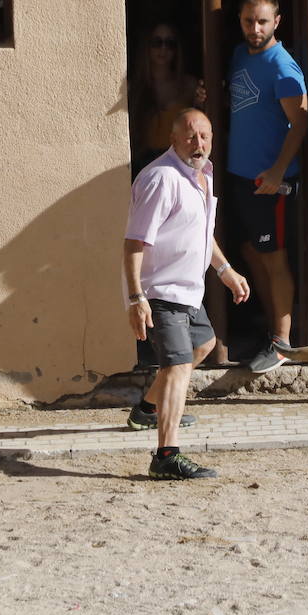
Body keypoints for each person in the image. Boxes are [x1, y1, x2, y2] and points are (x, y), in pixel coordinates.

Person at [123, 109, 250, 479]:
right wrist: (136, 298)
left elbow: (200, 232)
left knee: (203, 345)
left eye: (205, 136)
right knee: (177, 366)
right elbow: (133, 243)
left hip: (188, 290)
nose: (199, 144)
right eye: (191, 136)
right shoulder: (161, 179)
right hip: (159, 290)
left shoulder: (202, 176)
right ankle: (166, 455)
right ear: (174, 138)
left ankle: (147, 410)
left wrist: (225, 271)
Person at [224, 0, 308, 373]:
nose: (254, 28)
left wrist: (277, 171)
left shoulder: (283, 67)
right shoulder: (241, 55)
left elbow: (301, 123)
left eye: (262, 21)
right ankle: (268, 321)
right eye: (248, 20)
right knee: (250, 251)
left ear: (277, 22)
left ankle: (281, 342)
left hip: (269, 184)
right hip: (241, 177)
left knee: (274, 258)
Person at [128, 21, 206, 171]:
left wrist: (200, 103)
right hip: (142, 163)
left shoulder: (189, 85)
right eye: (157, 42)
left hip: (179, 162)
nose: (163, 48)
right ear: (147, 47)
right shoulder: (134, 87)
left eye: (170, 43)